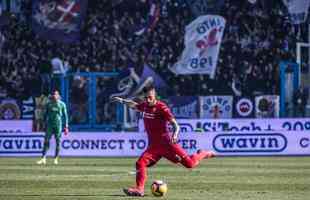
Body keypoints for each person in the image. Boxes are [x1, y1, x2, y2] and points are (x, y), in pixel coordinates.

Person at [112, 85, 215, 197]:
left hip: (167, 144)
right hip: (154, 146)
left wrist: (175, 134)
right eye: (146, 97)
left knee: (190, 164)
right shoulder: (145, 106)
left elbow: (175, 125)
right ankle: (139, 189)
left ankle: (203, 153)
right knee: (140, 163)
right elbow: (134, 105)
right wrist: (121, 100)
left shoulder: (162, 107)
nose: (148, 100)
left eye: (150, 97)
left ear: (154, 95)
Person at [37, 90, 69, 165]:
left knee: (58, 141)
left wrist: (66, 126)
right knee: (46, 140)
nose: (54, 96)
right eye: (53, 94)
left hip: (58, 124)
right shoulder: (49, 104)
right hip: (50, 124)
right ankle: (43, 158)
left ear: (58, 96)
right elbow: (45, 115)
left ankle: (55, 158)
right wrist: (43, 123)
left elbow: (65, 116)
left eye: (56, 94)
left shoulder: (62, 104)